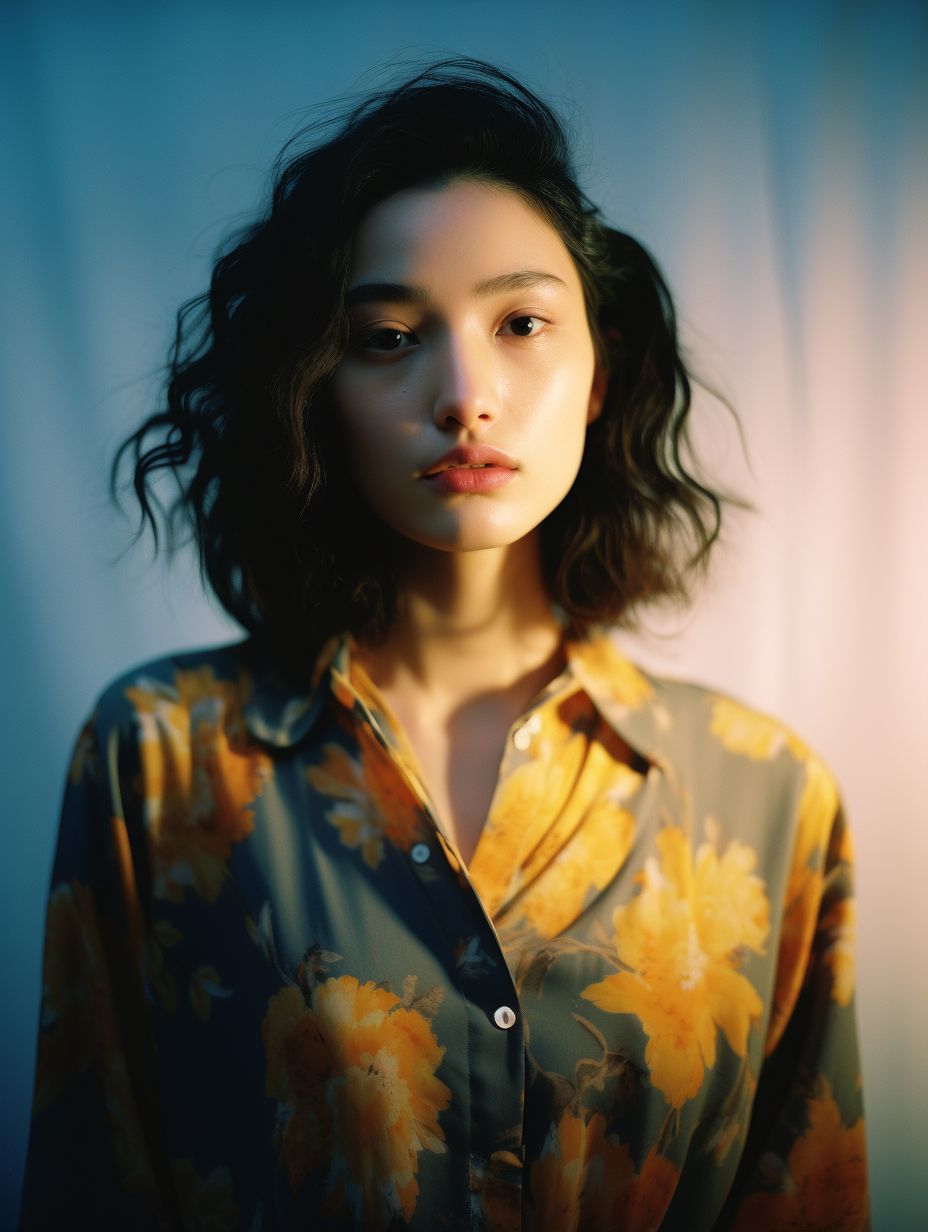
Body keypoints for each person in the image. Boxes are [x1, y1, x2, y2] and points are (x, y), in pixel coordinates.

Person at [19, 60, 868, 1231]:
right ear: (316, 387)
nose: (464, 389)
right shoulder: (157, 757)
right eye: (387, 336)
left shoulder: (768, 792)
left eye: (521, 323)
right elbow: (88, 1183)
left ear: (598, 373)